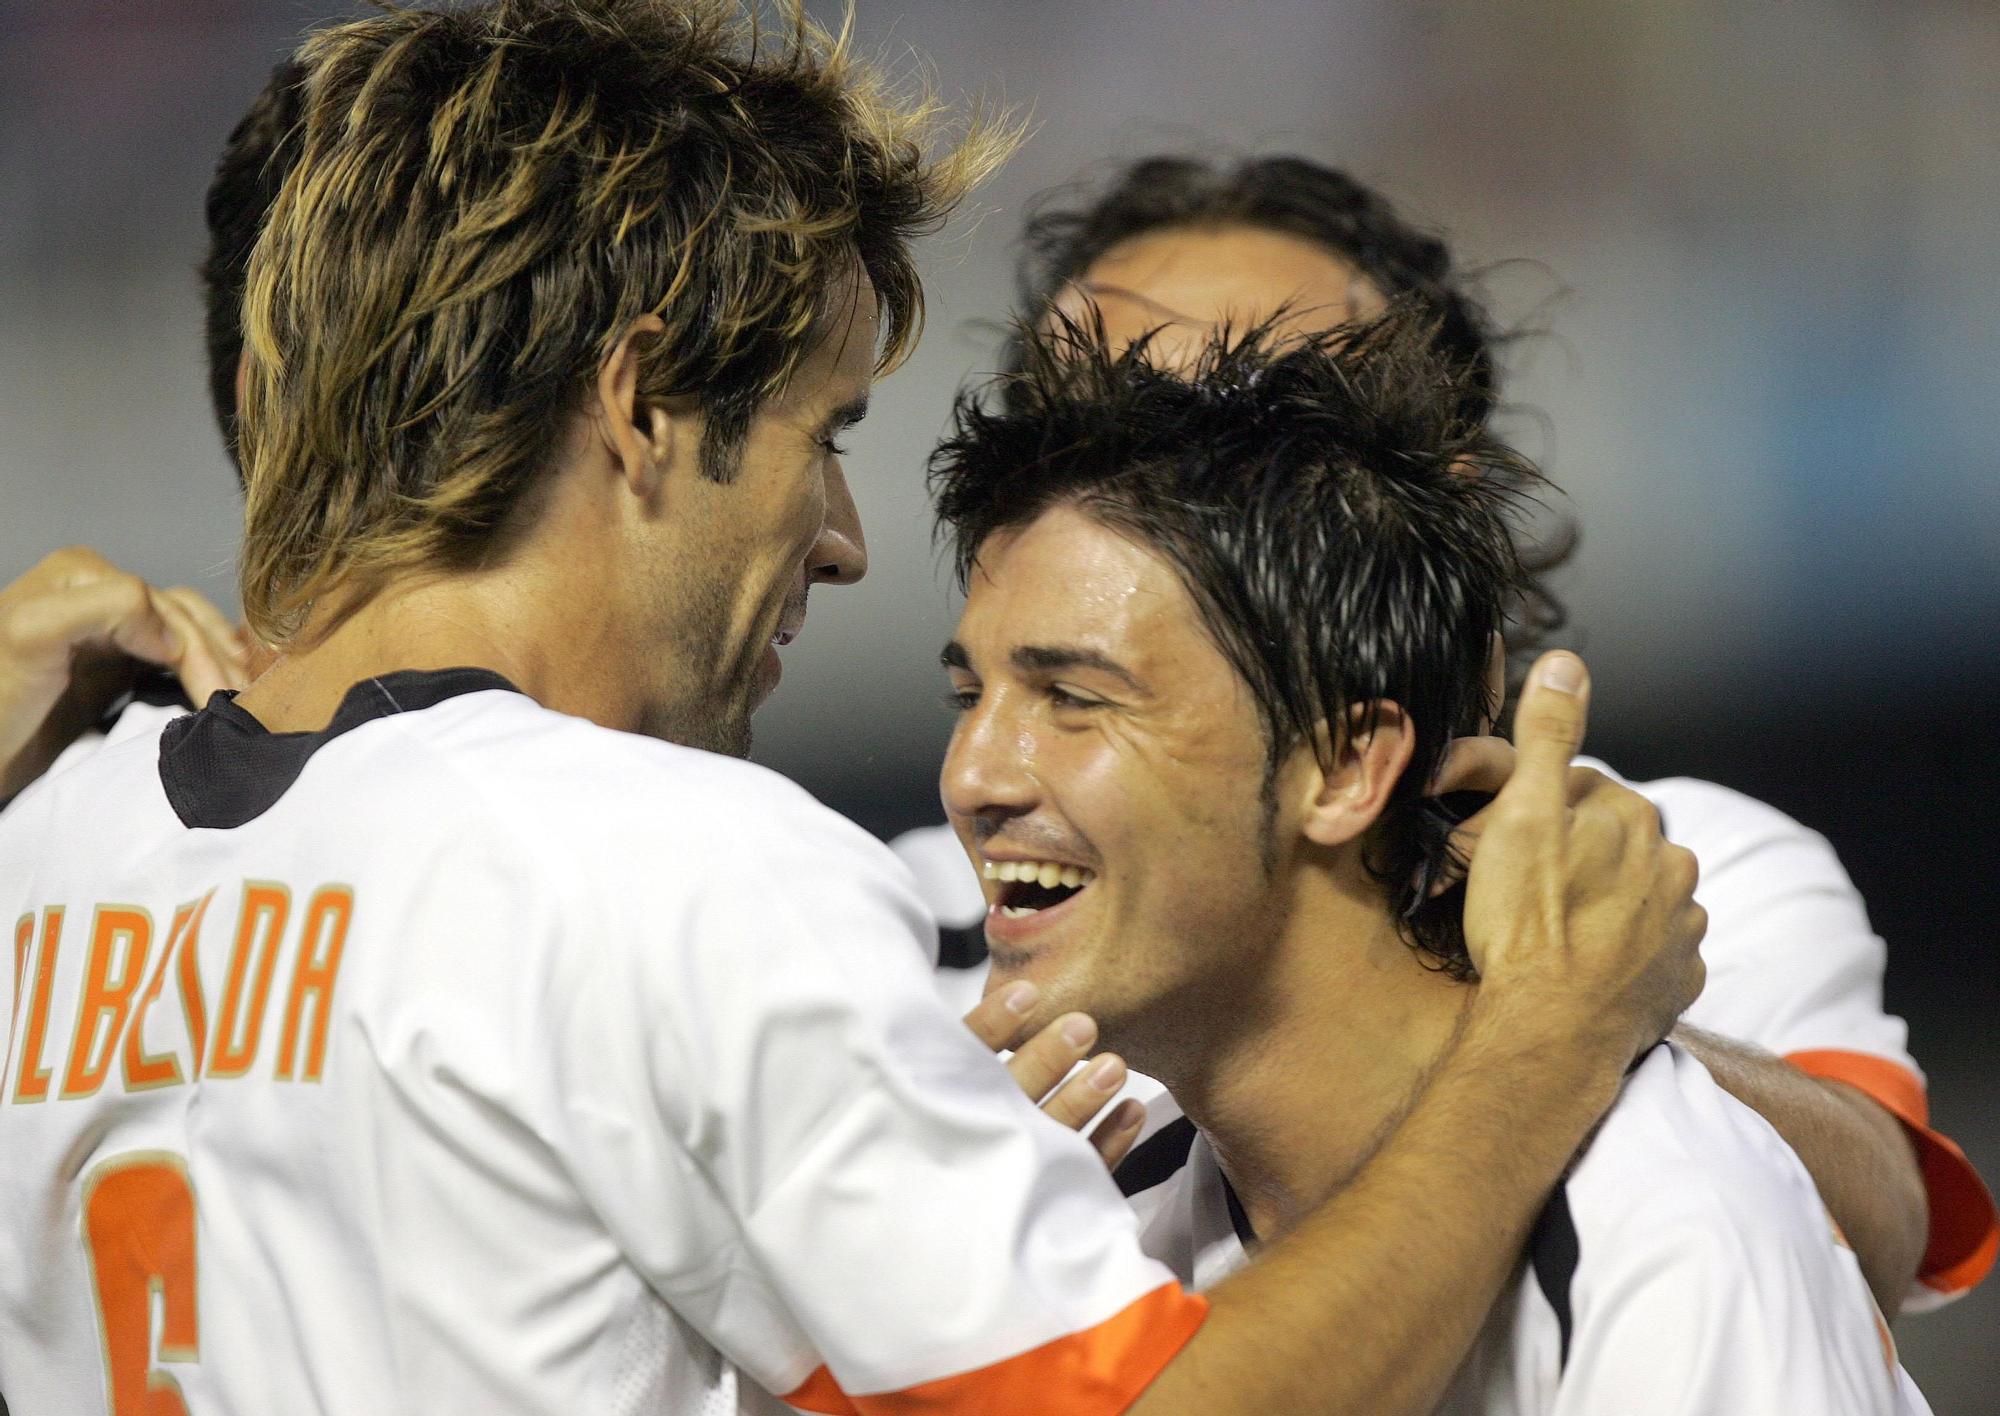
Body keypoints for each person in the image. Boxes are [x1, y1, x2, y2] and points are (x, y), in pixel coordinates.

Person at [0, 5, 1703, 1413]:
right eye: (823, 431)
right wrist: (1536, 1052)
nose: (842, 540)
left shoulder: (48, 843)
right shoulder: (674, 867)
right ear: (644, 406)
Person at [893, 152, 1995, 1317]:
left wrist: (1583, 1008)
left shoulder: (1678, 867)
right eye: (1091, 418)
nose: (1154, 472)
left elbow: (1874, 1234)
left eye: (1260, 410)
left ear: (1428, 481)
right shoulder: (883, 936)